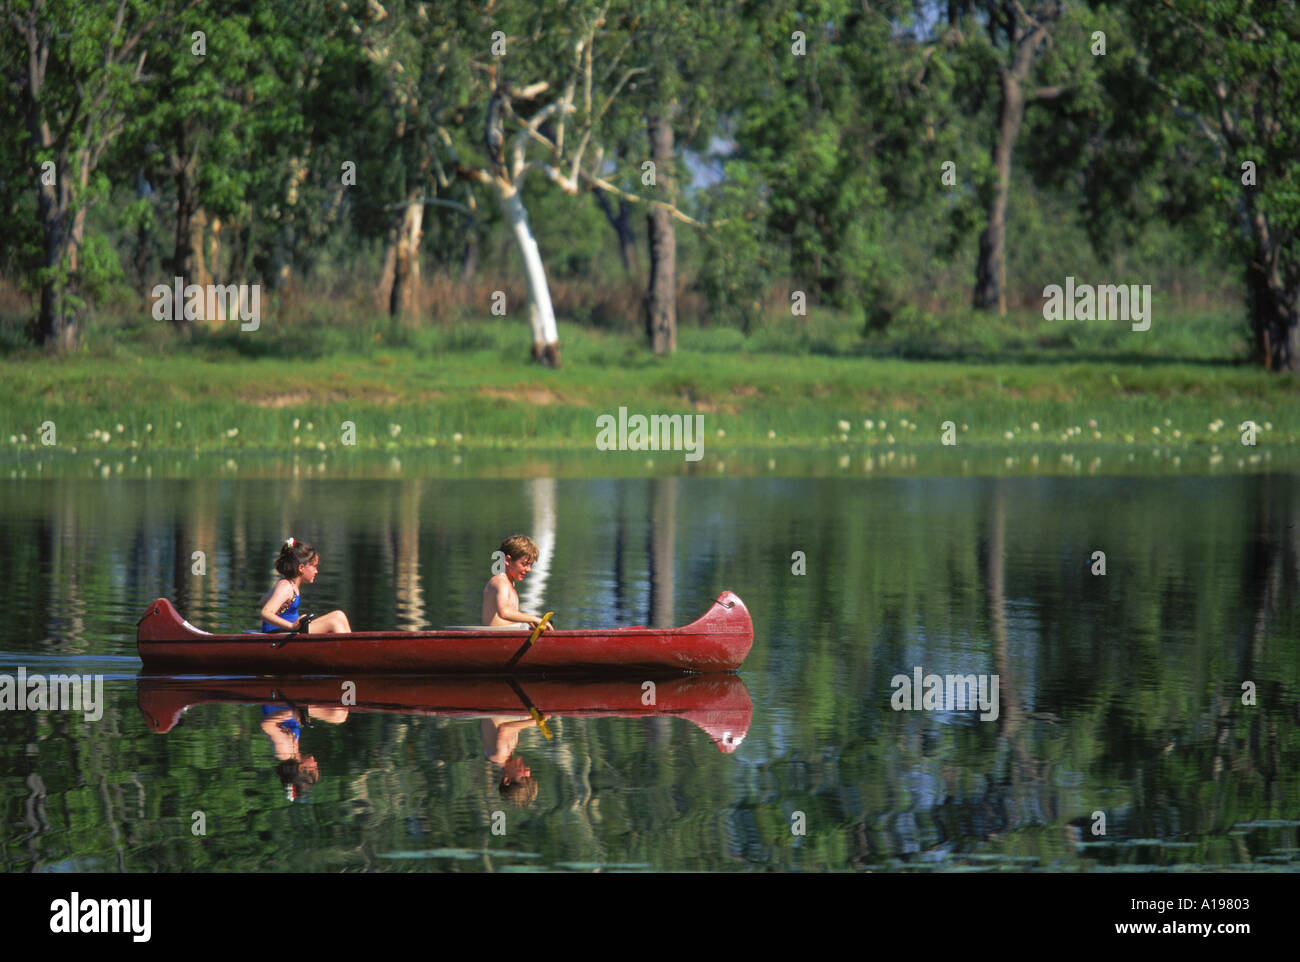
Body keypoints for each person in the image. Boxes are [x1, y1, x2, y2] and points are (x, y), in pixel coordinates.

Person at [260, 537, 352, 634]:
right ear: (301, 568)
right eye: (314, 566)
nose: (316, 571)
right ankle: (348, 648)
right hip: (278, 633)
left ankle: (352, 646)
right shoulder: (286, 587)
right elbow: (265, 613)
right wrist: (292, 626)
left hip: (289, 631)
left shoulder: (286, 585)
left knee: (339, 615)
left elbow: (263, 601)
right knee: (334, 622)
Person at [482, 534, 554, 630]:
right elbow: (504, 613)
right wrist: (533, 619)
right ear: (507, 560)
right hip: (493, 637)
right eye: (524, 564)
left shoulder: (510, 584)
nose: (529, 569)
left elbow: (508, 620)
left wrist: (531, 622)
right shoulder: (500, 581)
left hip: (508, 634)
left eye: (530, 565)